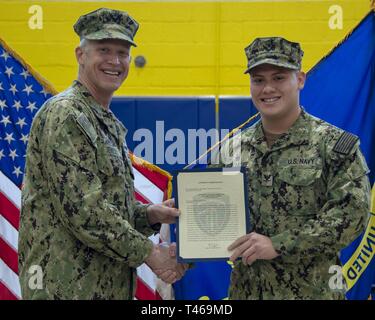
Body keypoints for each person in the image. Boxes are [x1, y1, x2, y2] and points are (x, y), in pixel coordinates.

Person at [19, 8, 186, 300]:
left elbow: (108, 206)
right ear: (80, 55)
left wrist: (150, 214)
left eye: (122, 52)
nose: (115, 61)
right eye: (104, 50)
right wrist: (150, 253)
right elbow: (84, 210)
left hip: (103, 288)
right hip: (66, 290)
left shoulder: (104, 122)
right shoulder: (67, 114)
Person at [216, 37, 371, 299]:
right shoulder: (232, 150)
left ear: (300, 79)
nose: (267, 88)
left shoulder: (333, 146)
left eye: (278, 78)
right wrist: (186, 244)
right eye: (258, 80)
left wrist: (278, 244)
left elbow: (351, 216)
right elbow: (216, 215)